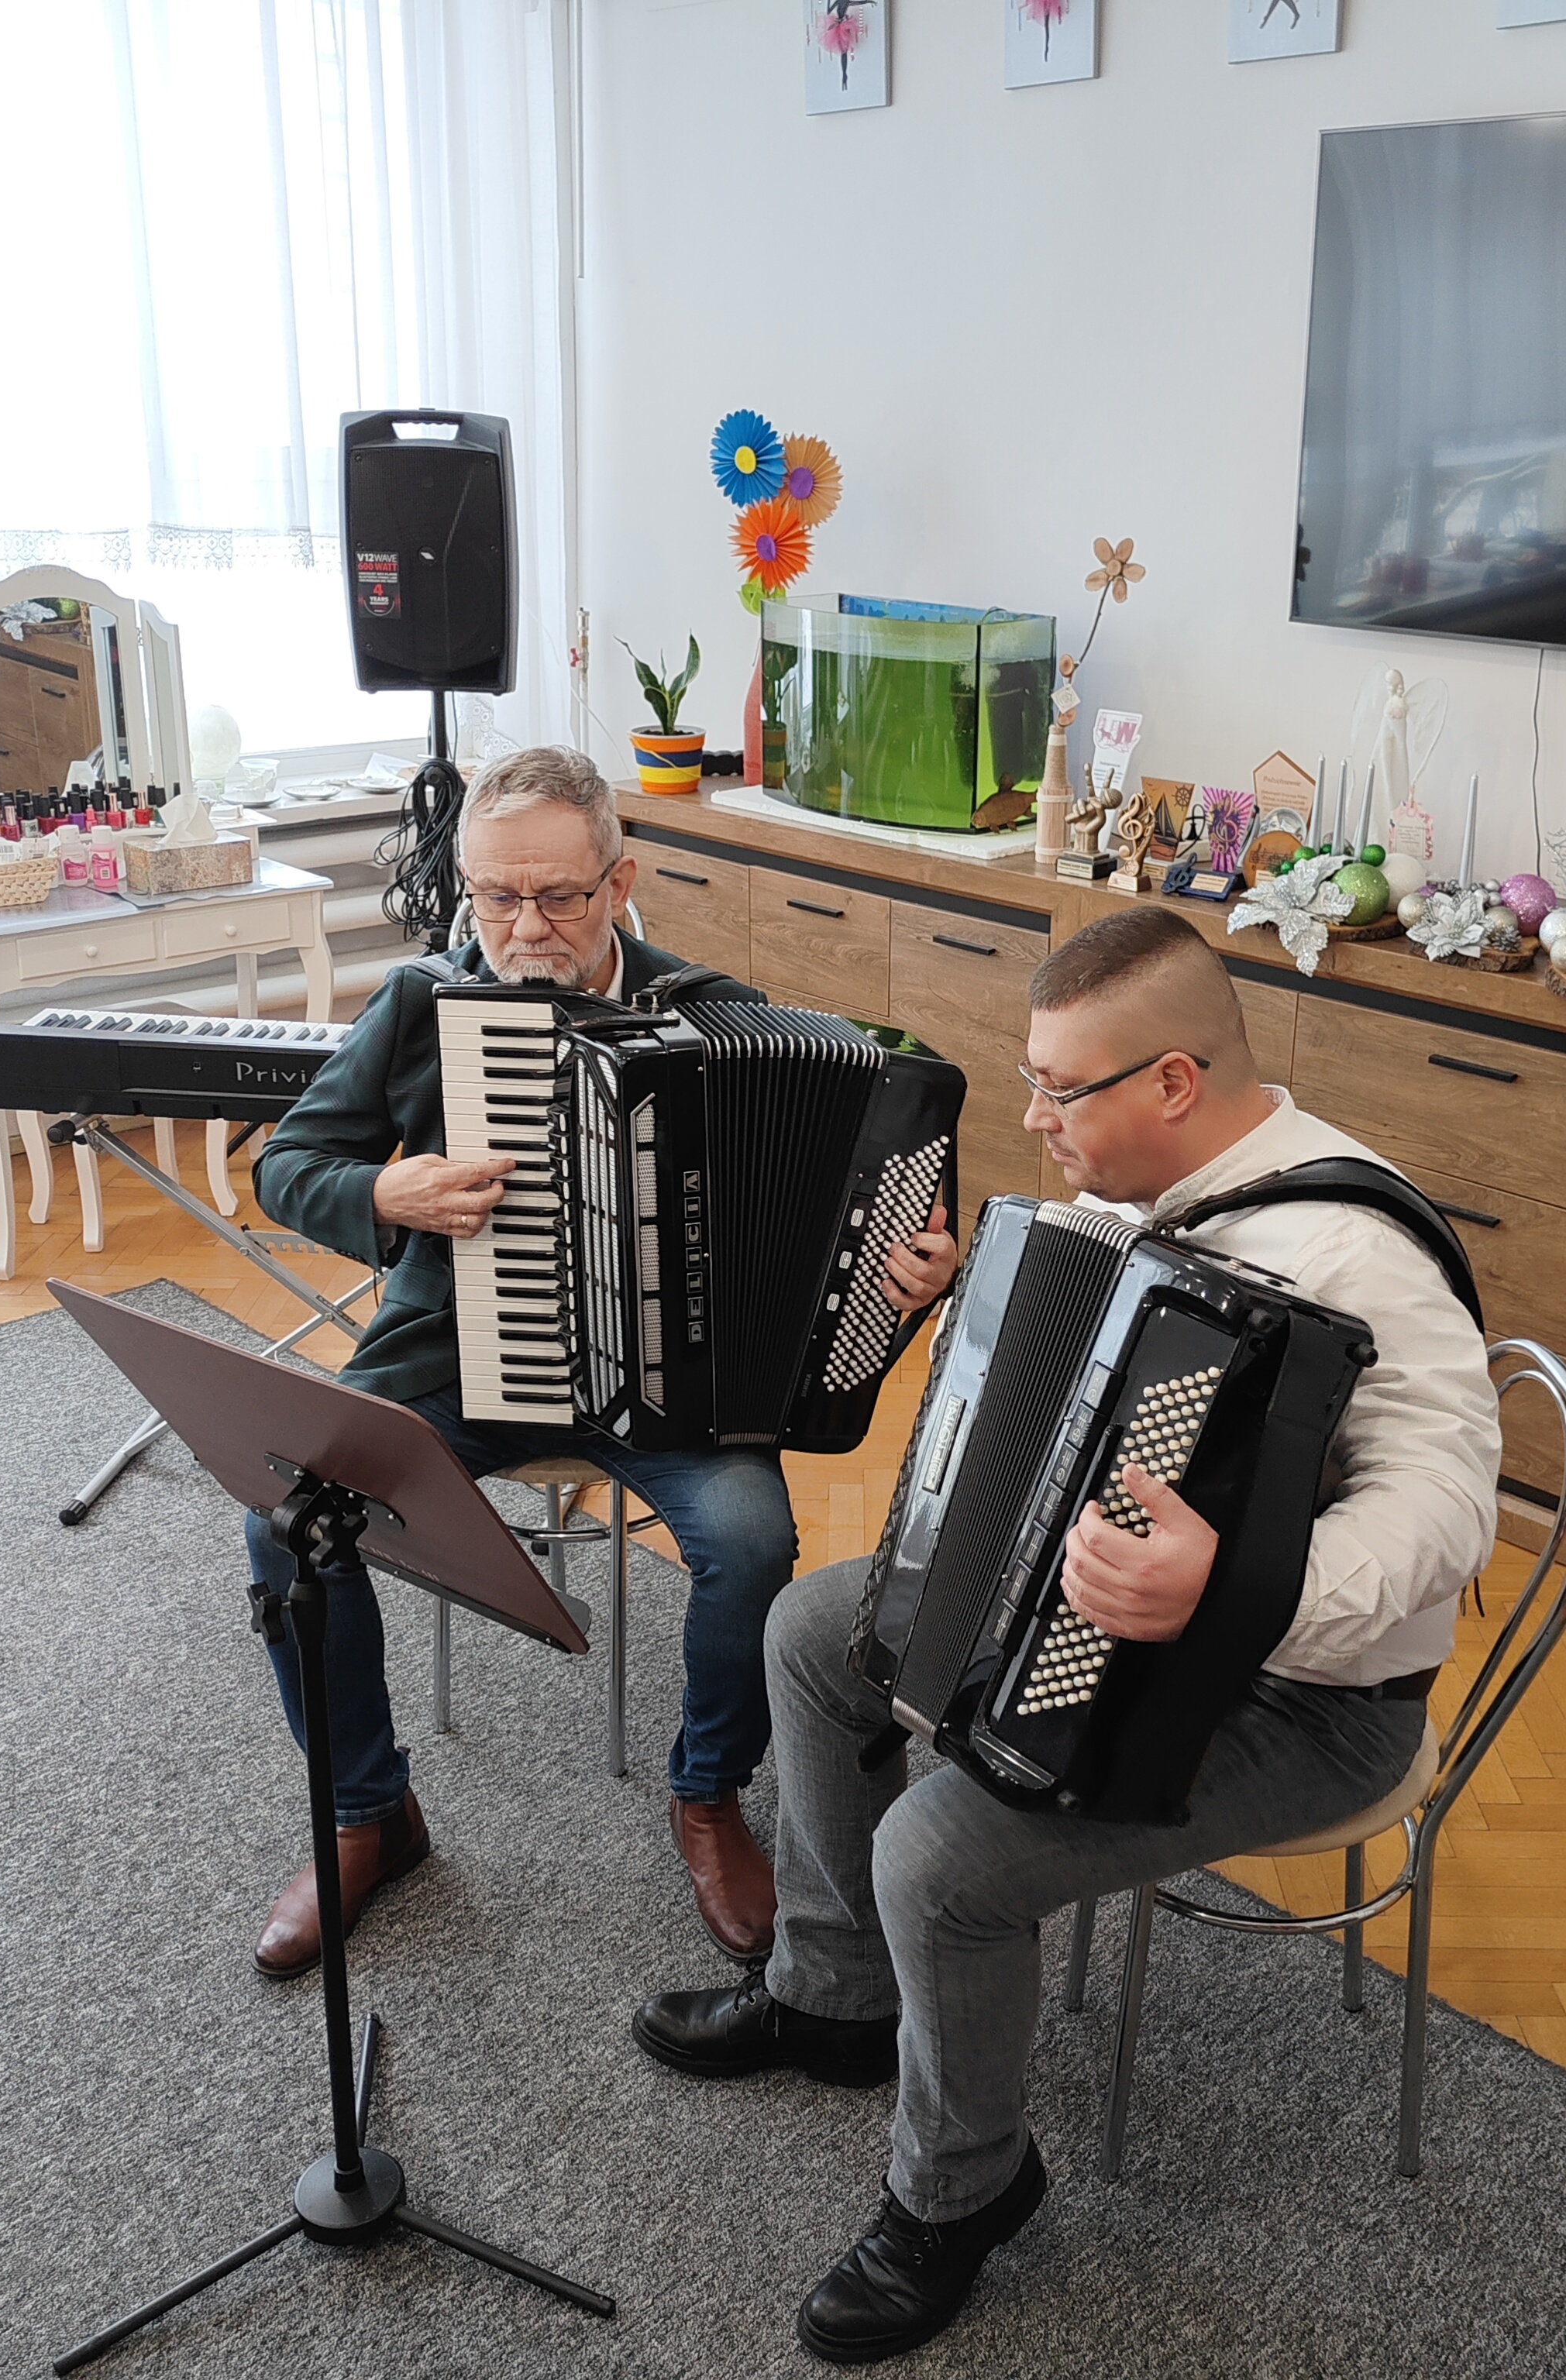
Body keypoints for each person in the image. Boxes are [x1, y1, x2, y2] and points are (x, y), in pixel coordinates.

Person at [629, 905, 1500, 2365]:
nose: (1033, 1122)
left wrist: (1234, 1592)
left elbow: (1448, 1517)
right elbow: (1100, 1345)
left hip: (1309, 1703)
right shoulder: (1168, 1190)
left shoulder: (1358, 1254)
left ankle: (961, 2189)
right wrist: (960, 1292)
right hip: (1096, 1602)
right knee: (806, 1633)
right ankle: (839, 1997)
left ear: (1172, 1082)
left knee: (939, 1856)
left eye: (1061, 1091)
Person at [242, 744, 958, 1976]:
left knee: (750, 1543)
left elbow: (857, 1209)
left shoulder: (715, 1014)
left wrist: (912, 1272)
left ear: (622, 880)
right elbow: (285, 1167)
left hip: (669, 1390)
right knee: (282, 1522)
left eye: (561, 897)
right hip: (448, 1358)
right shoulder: (422, 1005)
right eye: (496, 898)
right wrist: (388, 1189)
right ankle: (369, 1815)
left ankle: (707, 1793)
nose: (525, 928)